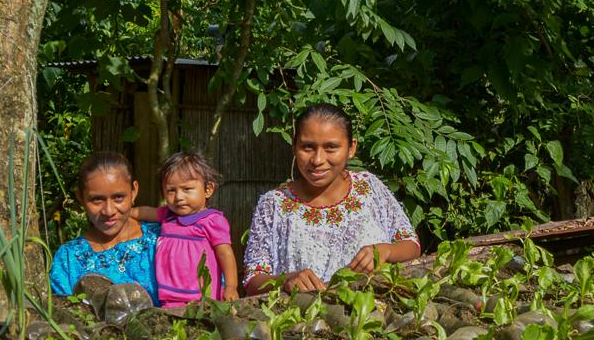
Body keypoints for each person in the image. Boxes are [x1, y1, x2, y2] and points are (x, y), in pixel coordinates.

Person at [243, 103, 421, 293]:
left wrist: (385, 251)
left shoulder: (369, 187)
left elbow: (411, 244)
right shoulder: (273, 204)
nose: (318, 160)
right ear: (294, 147)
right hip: (304, 320)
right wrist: (286, 280)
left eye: (331, 147)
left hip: (379, 314)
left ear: (351, 148)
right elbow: (253, 280)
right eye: (308, 147)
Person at [50, 152, 160, 302]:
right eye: (97, 200)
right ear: (80, 197)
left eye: (118, 198)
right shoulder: (69, 259)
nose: (109, 211)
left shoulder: (162, 239)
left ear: (133, 191)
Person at [134, 150, 238, 304]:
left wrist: (231, 286)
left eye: (187, 189)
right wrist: (126, 212)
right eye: (171, 190)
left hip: (203, 296)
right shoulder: (167, 215)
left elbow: (225, 254)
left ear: (208, 189)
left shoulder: (212, 221)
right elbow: (146, 212)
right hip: (169, 295)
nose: (179, 197)